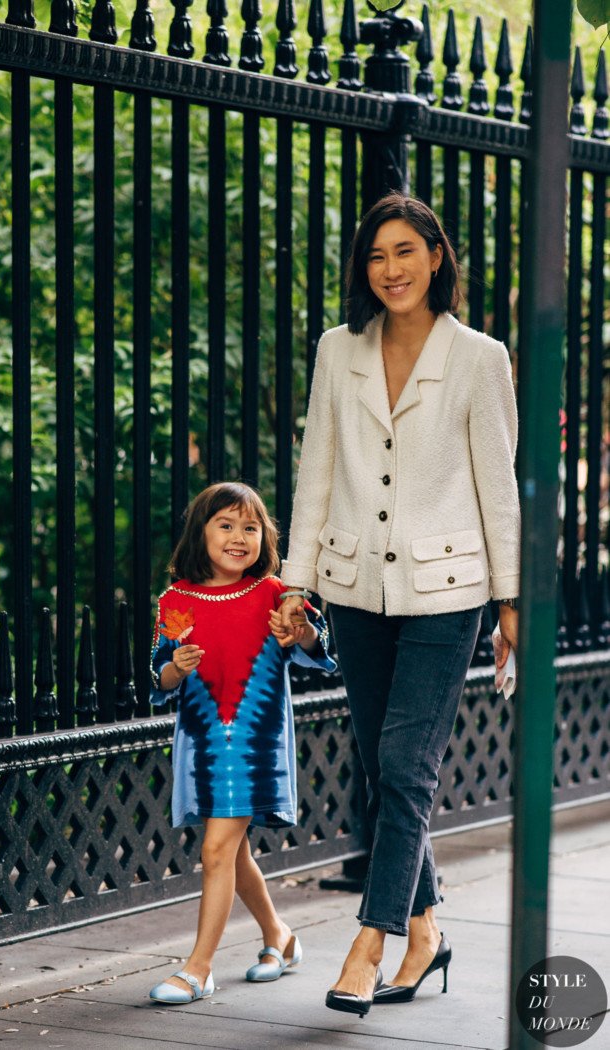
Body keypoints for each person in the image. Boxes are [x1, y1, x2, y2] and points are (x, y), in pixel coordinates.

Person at [279, 193, 520, 1017]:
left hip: (449, 593)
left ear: (437, 256)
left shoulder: (480, 358)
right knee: (388, 769)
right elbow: (316, 473)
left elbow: (500, 488)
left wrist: (511, 600)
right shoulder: (337, 351)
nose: (392, 268)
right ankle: (426, 934)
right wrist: (295, 585)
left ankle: (369, 942)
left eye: (406, 250)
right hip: (355, 588)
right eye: (378, 254)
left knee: (407, 768)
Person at [148, 481, 336, 1005]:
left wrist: (298, 635)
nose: (238, 537)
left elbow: (318, 649)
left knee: (215, 849)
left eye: (250, 528)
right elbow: (156, 678)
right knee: (232, 852)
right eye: (225, 526)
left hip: (255, 743)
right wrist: (174, 669)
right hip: (205, 743)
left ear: (264, 537)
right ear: (200, 533)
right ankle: (279, 936)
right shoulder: (176, 600)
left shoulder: (276, 592)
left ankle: (198, 967)